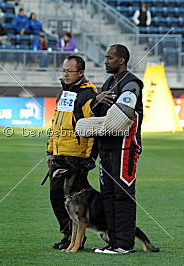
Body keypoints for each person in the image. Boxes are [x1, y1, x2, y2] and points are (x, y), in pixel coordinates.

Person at [75, 44, 144, 254]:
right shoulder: (109, 82)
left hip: (124, 147)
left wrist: (85, 126)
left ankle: (124, 244)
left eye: (109, 58)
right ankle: (114, 242)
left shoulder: (131, 83)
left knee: (122, 194)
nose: (105, 61)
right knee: (108, 195)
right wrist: (96, 99)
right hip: (107, 147)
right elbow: (97, 113)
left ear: (121, 60)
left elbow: (118, 122)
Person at [47, 55, 98, 250]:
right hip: (59, 154)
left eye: (69, 71)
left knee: (74, 199)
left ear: (81, 73)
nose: (65, 74)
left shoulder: (88, 95)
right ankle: (69, 235)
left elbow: (92, 128)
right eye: (64, 70)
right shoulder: (64, 93)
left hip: (76, 157)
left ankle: (74, 238)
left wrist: (88, 157)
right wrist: (50, 150)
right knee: (56, 196)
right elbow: (55, 124)